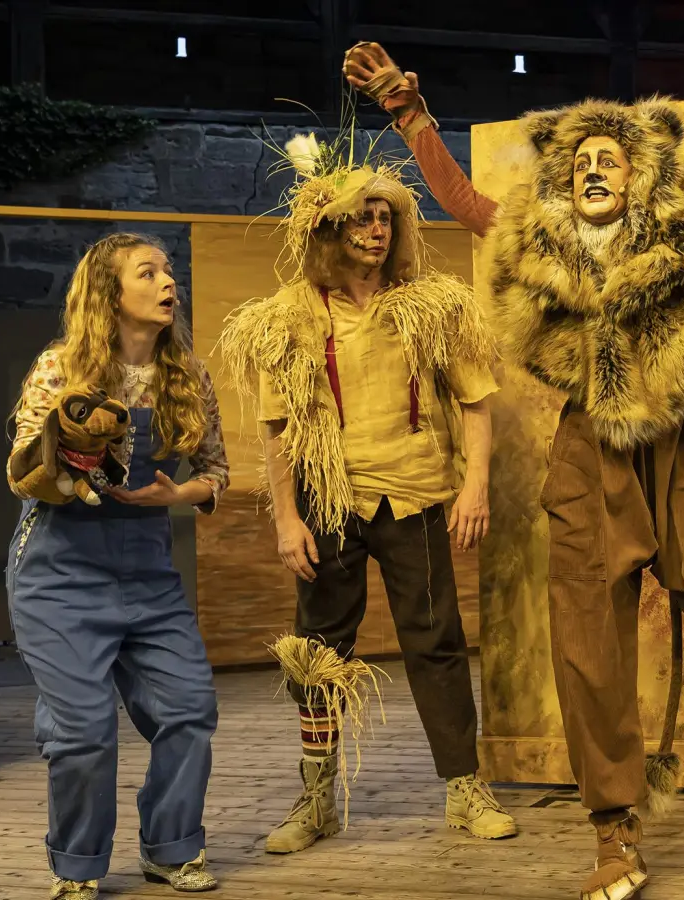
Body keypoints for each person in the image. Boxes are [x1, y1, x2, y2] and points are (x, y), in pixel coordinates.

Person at [343, 2, 684, 897]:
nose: (594, 169)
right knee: (587, 643)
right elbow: (464, 205)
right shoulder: (539, 245)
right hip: (590, 452)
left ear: (640, 174)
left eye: (611, 158)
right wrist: (409, 114)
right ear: (564, 182)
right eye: (580, 162)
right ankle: (614, 829)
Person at [215, 127, 515, 854]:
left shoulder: (431, 306)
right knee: (318, 651)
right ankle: (316, 797)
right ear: (327, 227)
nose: (377, 230)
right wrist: (287, 519)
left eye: (385, 217)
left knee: (438, 643)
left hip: (413, 499)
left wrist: (474, 487)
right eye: (361, 217)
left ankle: (464, 789)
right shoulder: (291, 316)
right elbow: (279, 430)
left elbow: (476, 402)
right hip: (329, 503)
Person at [6, 232, 230, 900]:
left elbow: (216, 473)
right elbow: (20, 474)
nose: (168, 282)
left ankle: (171, 847)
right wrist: (64, 463)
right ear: (109, 293)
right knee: (82, 733)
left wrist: (175, 494)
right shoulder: (59, 369)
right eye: (148, 272)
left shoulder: (187, 377)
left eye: (168, 271)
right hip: (59, 576)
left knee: (189, 708)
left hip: (146, 575)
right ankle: (77, 867)